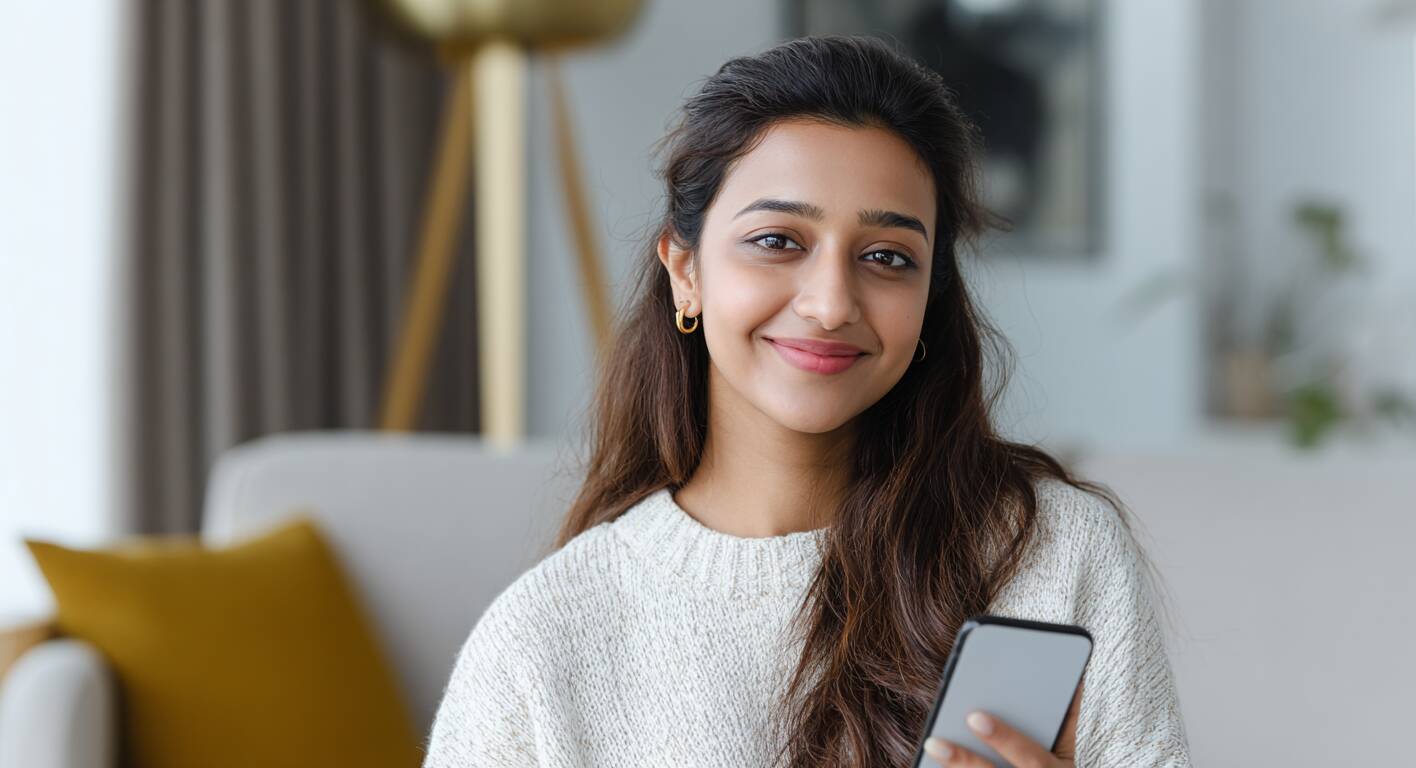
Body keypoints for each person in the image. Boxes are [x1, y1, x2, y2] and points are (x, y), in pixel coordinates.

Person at [422, 34, 1190, 768]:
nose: (830, 304)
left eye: (887, 257)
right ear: (684, 269)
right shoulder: (541, 642)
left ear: (931, 296)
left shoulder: (1054, 555)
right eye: (778, 241)